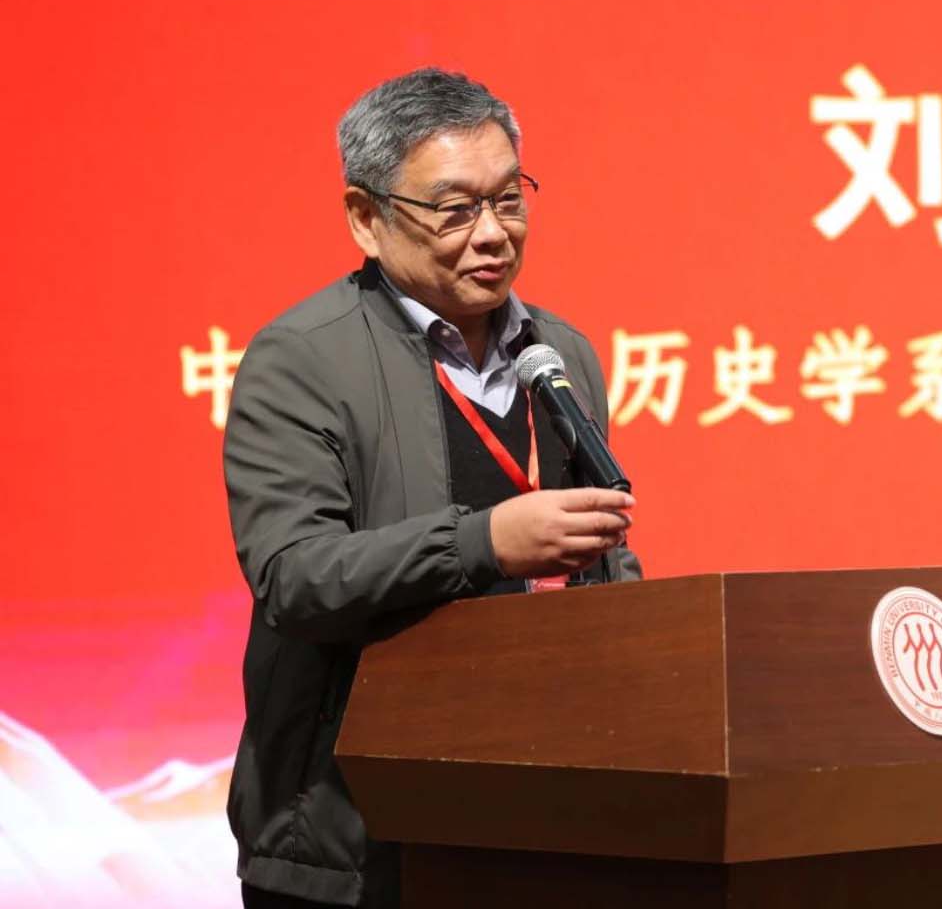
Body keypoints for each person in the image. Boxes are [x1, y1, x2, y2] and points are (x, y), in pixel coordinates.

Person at [222, 68, 641, 908]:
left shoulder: (560, 354)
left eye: (508, 200)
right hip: (357, 839)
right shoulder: (302, 360)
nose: (492, 235)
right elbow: (294, 578)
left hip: (539, 818)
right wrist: (485, 543)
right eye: (454, 210)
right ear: (367, 218)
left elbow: (603, 553)